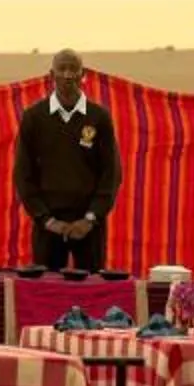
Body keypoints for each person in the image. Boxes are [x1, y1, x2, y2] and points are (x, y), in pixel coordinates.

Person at [13, 48, 119, 273]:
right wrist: (47, 220)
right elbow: (24, 175)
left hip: (89, 226)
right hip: (49, 225)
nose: (68, 75)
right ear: (52, 75)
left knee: (92, 290)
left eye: (73, 69)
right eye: (62, 69)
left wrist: (90, 219)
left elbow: (111, 173)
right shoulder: (34, 117)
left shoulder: (99, 117)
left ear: (83, 74)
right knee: (46, 290)